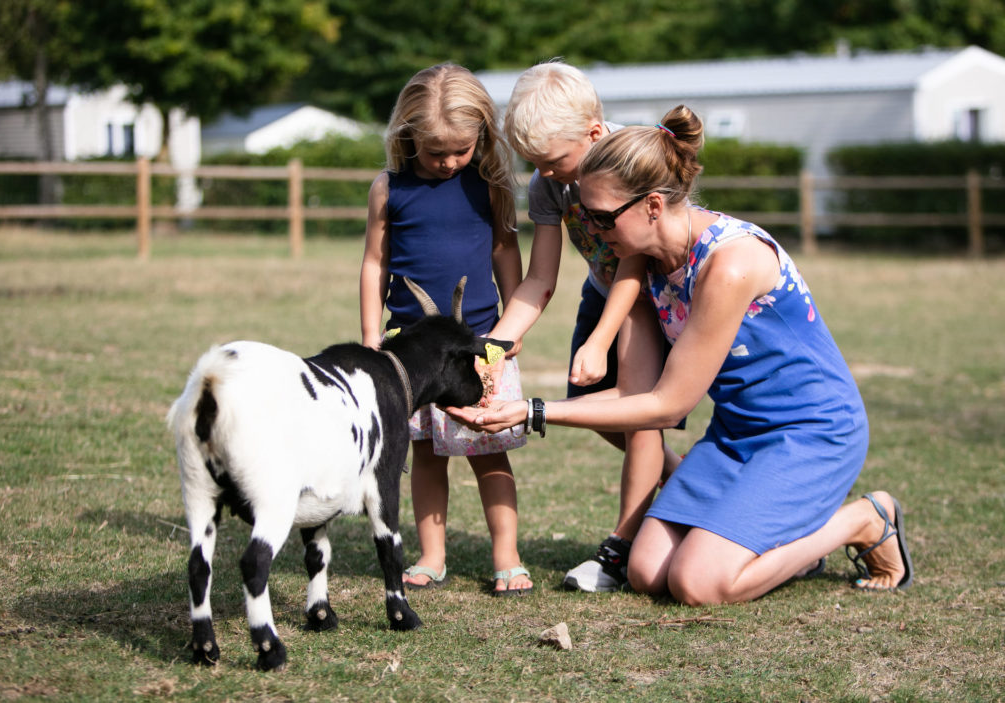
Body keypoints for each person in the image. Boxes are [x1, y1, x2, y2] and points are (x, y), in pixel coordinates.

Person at [448, 105, 914, 602]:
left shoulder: (730, 263)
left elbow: (669, 405)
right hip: (737, 435)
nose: (594, 231)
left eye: (603, 218)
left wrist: (533, 413)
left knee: (698, 582)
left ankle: (862, 520)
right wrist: (513, 400)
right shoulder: (645, 266)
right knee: (648, 572)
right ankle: (776, 543)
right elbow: (634, 394)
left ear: (652, 205)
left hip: (812, 433)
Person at [484, 60, 682, 592]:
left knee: (638, 412)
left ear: (594, 134)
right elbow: (541, 277)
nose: (546, 174)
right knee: (591, 409)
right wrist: (496, 345)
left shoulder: (629, 161)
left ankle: (618, 551)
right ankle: (690, 484)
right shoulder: (548, 186)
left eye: (553, 161)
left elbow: (636, 265)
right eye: (535, 164)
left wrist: (600, 341)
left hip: (650, 292)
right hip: (602, 292)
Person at [360, 63, 532, 596]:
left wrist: (509, 325)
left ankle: (507, 553)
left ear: (482, 135)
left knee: (489, 450)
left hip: (480, 348)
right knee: (427, 453)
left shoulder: (490, 184)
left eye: (461, 149)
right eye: (437, 152)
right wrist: (370, 335)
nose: (450, 161)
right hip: (411, 351)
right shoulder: (389, 188)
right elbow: (374, 263)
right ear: (408, 135)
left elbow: (505, 249)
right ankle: (432, 555)